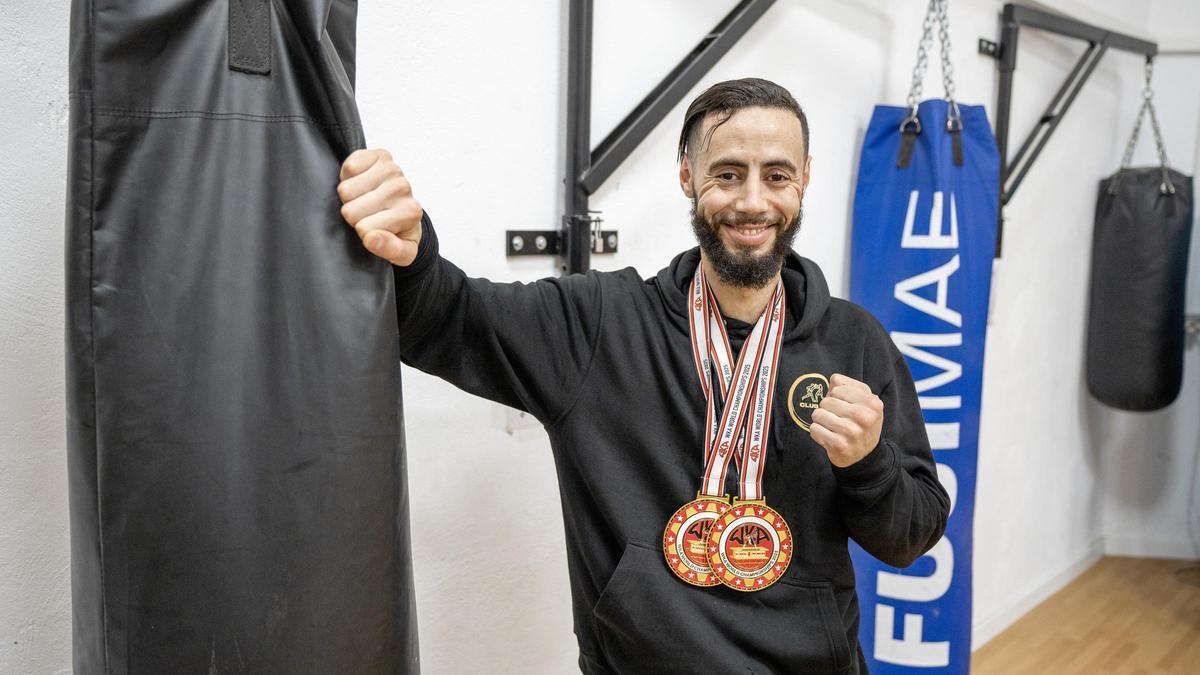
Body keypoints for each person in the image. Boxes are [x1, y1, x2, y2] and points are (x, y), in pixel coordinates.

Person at [337, 77, 949, 674]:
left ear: (805, 179)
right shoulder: (595, 324)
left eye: (778, 176)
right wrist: (412, 252)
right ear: (687, 175)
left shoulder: (855, 341)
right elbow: (447, 316)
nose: (754, 201)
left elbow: (912, 535)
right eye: (728, 173)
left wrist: (869, 463)